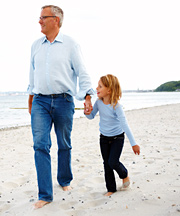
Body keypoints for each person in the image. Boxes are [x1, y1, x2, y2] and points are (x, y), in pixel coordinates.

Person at [28, 5, 93, 209]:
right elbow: (32, 72)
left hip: (64, 101)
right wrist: (30, 98)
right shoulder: (35, 45)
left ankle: (64, 180)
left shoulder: (71, 44)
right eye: (39, 18)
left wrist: (88, 96)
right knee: (40, 145)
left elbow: (82, 72)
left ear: (56, 20)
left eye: (43, 17)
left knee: (64, 143)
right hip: (40, 101)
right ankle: (45, 194)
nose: (39, 21)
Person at [84, 74, 140, 196]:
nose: (96, 88)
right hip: (103, 138)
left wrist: (133, 144)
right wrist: (86, 112)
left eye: (100, 86)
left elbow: (125, 125)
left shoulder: (117, 106)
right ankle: (111, 189)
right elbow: (91, 116)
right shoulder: (98, 103)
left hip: (117, 138)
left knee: (113, 162)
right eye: (97, 86)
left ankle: (124, 175)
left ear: (109, 90)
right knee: (106, 164)